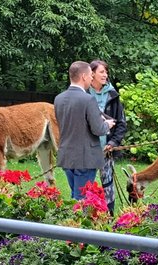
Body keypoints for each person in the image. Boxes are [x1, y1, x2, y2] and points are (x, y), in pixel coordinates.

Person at [54, 61, 115, 200]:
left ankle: (70, 221)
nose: (91, 79)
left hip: (66, 156)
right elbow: (98, 129)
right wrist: (107, 125)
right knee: (81, 200)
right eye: (89, 76)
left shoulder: (58, 99)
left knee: (75, 195)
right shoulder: (88, 99)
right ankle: (75, 222)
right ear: (83, 76)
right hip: (85, 158)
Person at [89, 60, 127, 216]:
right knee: (87, 184)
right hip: (88, 149)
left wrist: (113, 142)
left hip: (106, 149)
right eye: (101, 72)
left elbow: (121, 123)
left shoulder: (113, 95)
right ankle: (88, 214)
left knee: (108, 183)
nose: (105, 75)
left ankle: (109, 215)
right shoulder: (83, 94)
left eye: (106, 72)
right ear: (91, 74)